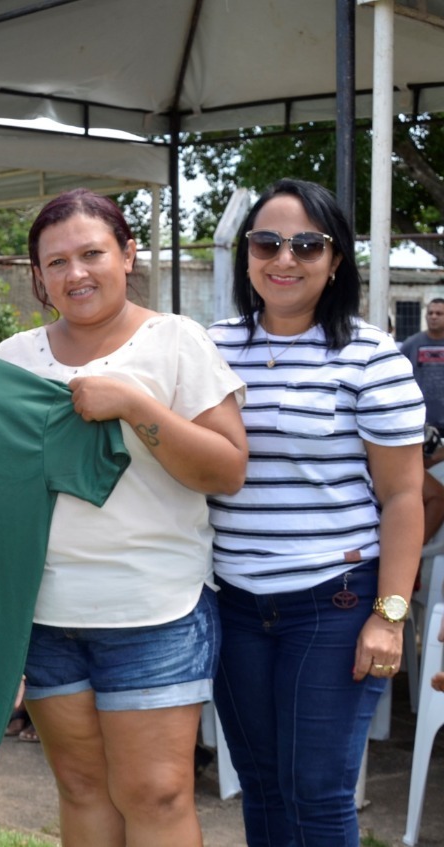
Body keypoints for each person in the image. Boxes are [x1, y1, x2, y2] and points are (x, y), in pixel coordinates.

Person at [0, 188, 247, 846]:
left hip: (154, 609)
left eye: (91, 254)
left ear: (128, 254)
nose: (75, 274)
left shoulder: (176, 342)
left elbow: (226, 468)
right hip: (46, 612)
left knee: (156, 792)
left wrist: (138, 406)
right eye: (56, 263)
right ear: (38, 277)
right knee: (80, 787)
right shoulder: (15, 358)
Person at [206, 178, 424, 846]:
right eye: (268, 241)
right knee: (261, 781)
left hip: (334, 601)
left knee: (319, 790)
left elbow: (404, 496)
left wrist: (389, 615)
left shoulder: (371, 355)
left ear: (335, 262)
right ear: (247, 255)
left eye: (307, 244)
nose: (285, 258)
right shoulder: (209, 347)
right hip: (233, 601)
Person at [400, 297, 444, 428]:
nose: (433, 317)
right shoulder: (411, 344)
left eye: (439, 313)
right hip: (419, 420)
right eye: (430, 313)